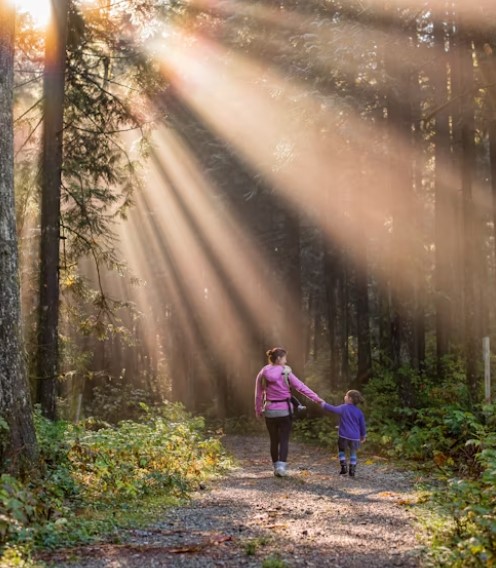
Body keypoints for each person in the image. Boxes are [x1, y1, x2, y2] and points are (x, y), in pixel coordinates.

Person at [255, 347, 324, 477]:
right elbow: (301, 387)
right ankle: (281, 467)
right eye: (285, 358)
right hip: (284, 411)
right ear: (279, 358)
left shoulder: (263, 372)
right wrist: (317, 399)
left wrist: (258, 410)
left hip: (269, 411)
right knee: (284, 439)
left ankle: (276, 467)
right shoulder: (286, 372)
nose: (286, 360)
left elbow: (258, 394)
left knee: (274, 440)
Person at [321, 390, 366, 477]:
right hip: (355, 437)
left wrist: (323, 404)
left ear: (349, 398)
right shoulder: (359, 412)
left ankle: (343, 467)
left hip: (344, 435)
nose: (344, 397)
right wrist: (363, 435)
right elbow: (362, 425)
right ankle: (352, 470)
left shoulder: (343, 407)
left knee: (341, 450)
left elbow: (333, 409)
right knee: (353, 452)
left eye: (346, 395)